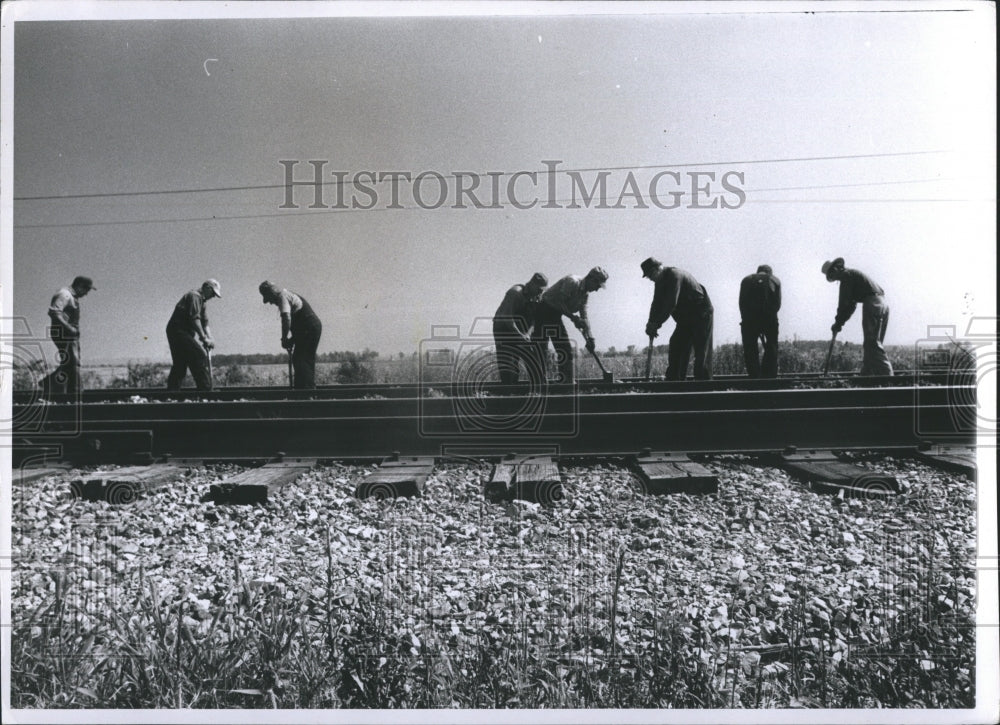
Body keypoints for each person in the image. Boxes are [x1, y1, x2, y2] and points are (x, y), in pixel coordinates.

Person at [642, 257, 714, 381]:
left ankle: (703, 385)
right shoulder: (659, 282)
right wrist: (650, 322)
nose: (650, 278)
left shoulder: (674, 276)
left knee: (701, 350)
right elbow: (656, 304)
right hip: (685, 318)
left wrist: (657, 324)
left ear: (658, 268)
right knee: (677, 344)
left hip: (701, 314)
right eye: (648, 277)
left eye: (651, 274)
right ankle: (675, 382)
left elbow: (671, 303)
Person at [533, 267, 608, 384]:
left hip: (555, 314)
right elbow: (559, 301)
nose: (597, 289)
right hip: (543, 309)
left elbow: (584, 317)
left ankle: (566, 382)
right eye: (597, 285)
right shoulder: (572, 281)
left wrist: (590, 337)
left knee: (565, 349)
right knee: (541, 348)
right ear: (591, 279)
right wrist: (573, 318)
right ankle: (539, 382)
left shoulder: (585, 295)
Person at [821, 257, 892, 376]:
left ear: (836, 269)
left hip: (873, 304)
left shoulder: (846, 276)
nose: (834, 278)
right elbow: (851, 306)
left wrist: (838, 323)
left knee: (872, 344)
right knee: (872, 343)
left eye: (832, 274)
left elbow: (844, 303)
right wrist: (840, 323)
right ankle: (867, 374)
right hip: (882, 303)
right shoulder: (852, 275)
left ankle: (888, 377)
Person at [259, 281, 323, 389]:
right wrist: (292, 340)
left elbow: (286, 319)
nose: (270, 302)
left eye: (268, 298)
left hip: (309, 327)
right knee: (304, 359)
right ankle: (307, 391)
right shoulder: (285, 295)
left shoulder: (282, 297)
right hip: (309, 328)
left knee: (301, 359)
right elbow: (299, 326)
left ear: (272, 292)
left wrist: (284, 339)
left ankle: (306, 393)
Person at [40, 276, 95, 395]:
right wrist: (69, 328)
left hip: (69, 333)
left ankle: (55, 386)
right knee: (73, 362)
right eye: (86, 290)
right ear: (79, 286)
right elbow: (54, 313)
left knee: (69, 362)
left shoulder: (70, 296)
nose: (86, 294)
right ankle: (75, 392)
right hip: (64, 333)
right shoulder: (64, 294)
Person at [493, 272, 548, 384]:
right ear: (532, 284)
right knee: (508, 362)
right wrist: (520, 335)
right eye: (539, 289)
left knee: (531, 356)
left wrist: (527, 334)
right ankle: (508, 389)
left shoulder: (536, 297)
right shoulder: (515, 293)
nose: (541, 292)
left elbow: (533, 320)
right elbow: (507, 318)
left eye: (542, 290)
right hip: (503, 327)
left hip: (519, 328)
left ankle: (537, 385)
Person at [166, 279, 221, 391]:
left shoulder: (202, 301)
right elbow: (195, 319)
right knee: (199, 356)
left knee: (180, 364)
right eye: (213, 293)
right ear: (207, 288)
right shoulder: (194, 296)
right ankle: (205, 390)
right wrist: (204, 338)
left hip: (182, 332)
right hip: (178, 330)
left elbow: (205, 323)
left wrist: (210, 338)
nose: (213, 297)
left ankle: (172, 392)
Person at [739, 264, 782, 378]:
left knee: (750, 348)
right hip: (769, 319)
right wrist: (770, 320)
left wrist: (746, 321)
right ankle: (769, 376)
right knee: (772, 346)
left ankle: (754, 376)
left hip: (750, 320)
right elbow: (777, 304)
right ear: (769, 273)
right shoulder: (775, 280)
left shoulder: (746, 280)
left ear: (758, 271)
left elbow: (741, 303)